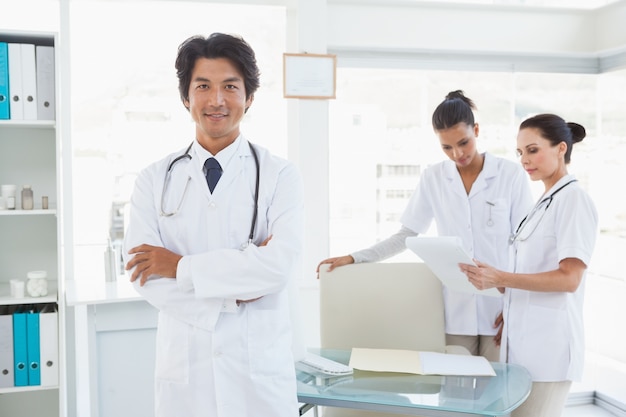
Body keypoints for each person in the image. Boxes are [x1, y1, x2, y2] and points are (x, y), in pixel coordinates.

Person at [123, 33, 304, 417]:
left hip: (258, 378)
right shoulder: (154, 179)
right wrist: (232, 292)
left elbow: (277, 268)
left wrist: (180, 266)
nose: (216, 100)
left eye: (230, 87)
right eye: (203, 86)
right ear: (186, 97)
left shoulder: (279, 175)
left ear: (249, 97)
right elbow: (144, 275)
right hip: (186, 379)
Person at [317, 90, 533, 362]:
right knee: (457, 397)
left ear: (476, 130)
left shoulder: (509, 175)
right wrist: (355, 257)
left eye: (464, 142)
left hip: (500, 308)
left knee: (498, 395)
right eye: (446, 147)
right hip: (455, 310)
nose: (457, 153)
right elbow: (406, 235)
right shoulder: (434, 178)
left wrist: (516, 303)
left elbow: (526, 245)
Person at [459, 113, 598, 417]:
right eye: (520, 152)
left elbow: (570, 278)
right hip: (523, 349)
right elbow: (534, 268)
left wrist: (502, 277)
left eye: (533, 150)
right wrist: (503, 292)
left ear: (561, 148)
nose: (525, 160)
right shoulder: (544, 202)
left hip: (549, 351)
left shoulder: (573, 200)